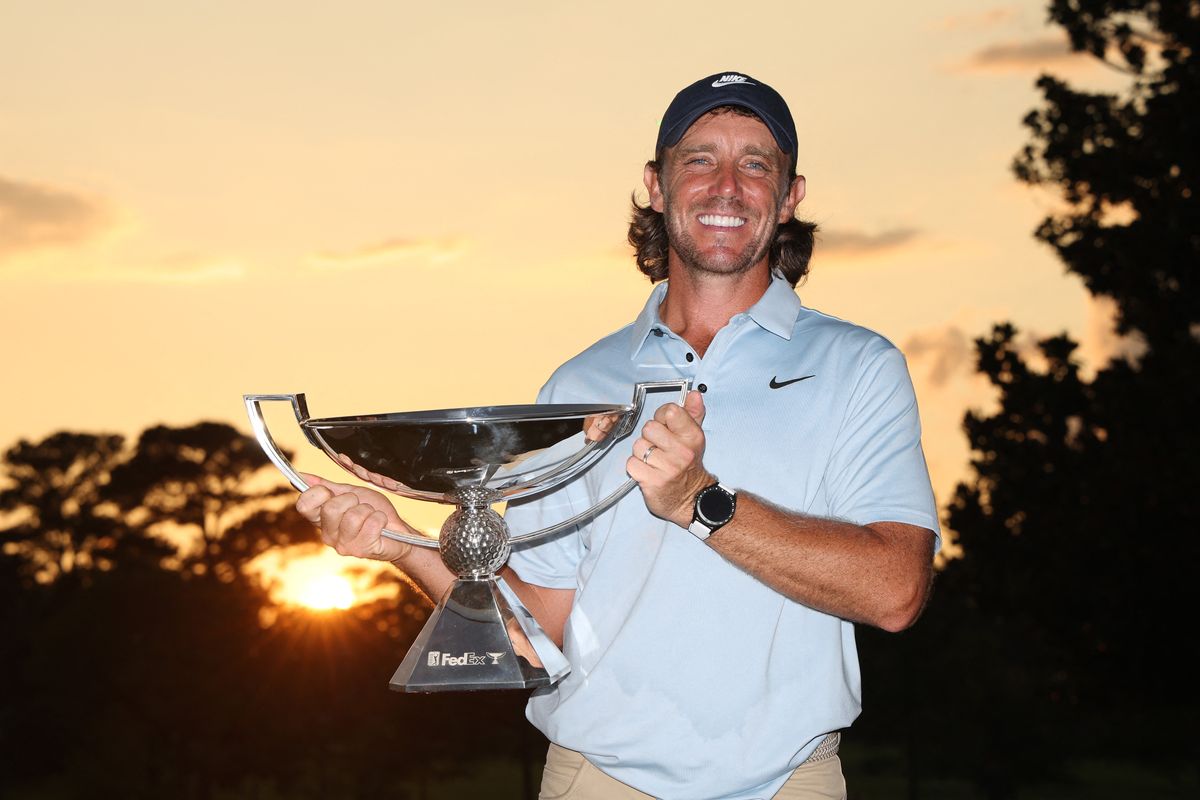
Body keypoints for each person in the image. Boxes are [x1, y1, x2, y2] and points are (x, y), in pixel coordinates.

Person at [297, 71, 939, 800]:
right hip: (597, 779)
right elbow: (538, 629)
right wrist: (405, 546)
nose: (727, 186)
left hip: (790, 781)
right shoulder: (577, 386)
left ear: (789, 196)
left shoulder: (858, 366)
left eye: (756, 164)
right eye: (699, 159)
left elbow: (896, 591)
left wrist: (700, 502)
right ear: (657, 185)